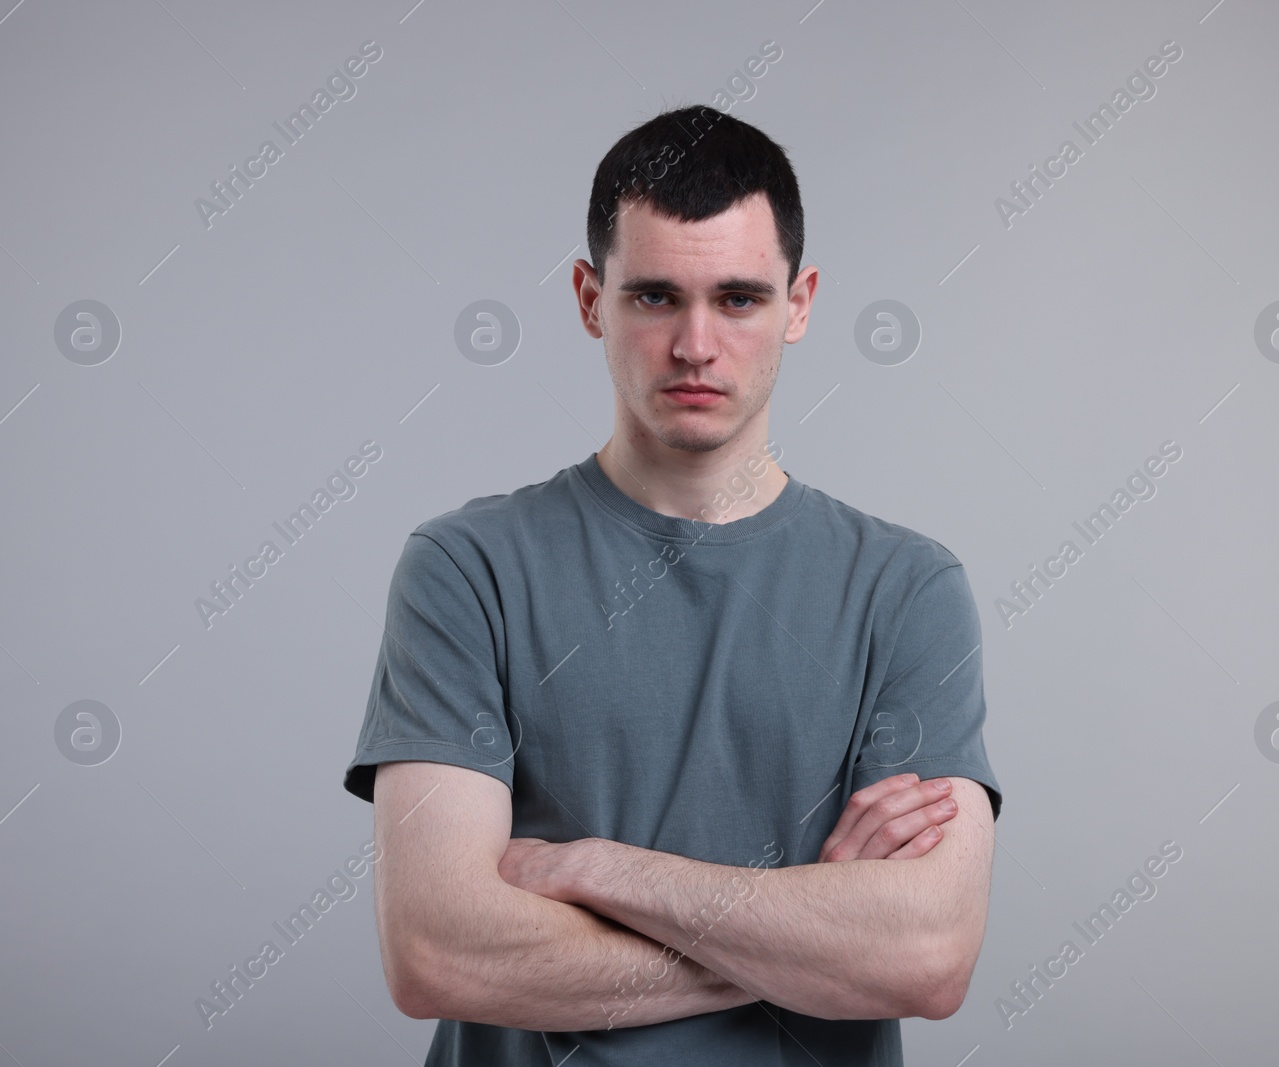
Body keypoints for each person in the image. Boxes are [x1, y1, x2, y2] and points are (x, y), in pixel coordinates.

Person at [342, 104, 1002, 1066]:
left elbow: (928, 956)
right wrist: (808, 936)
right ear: (587, 298)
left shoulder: (908, 589)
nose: (696, 344)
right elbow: (437, 950)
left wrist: (599, 870)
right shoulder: (465, 568)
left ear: (801, 302)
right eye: (655, 297)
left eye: (739, 298)